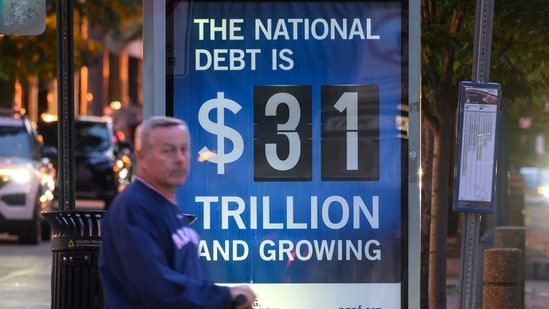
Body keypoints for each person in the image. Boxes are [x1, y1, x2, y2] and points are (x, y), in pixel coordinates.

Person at [99, 116, 256, 308]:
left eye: (184, 150)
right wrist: (223, 295)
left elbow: (186, 277)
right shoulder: (132, 208)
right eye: (168, 151)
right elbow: (155, 286)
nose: (180, 159)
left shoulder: (168, 205)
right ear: (142, 157)